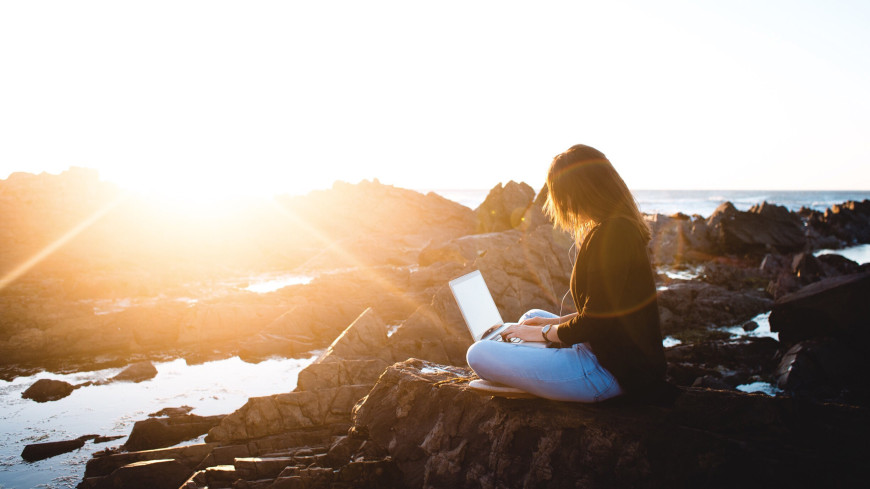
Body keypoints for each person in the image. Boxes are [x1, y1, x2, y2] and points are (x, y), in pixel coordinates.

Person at [466, 144, 667, 403]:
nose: (559, 204)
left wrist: (542, 334)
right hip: (611, 354)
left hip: (611, 372)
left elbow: (597, 321)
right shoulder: (616, 227)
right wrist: (547, 325)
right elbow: (607, 310)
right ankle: (538, 374)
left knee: (478, 354)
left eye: (559, 194)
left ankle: (535, 383)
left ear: (578, 191)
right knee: (532, 316)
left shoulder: (612, 235)